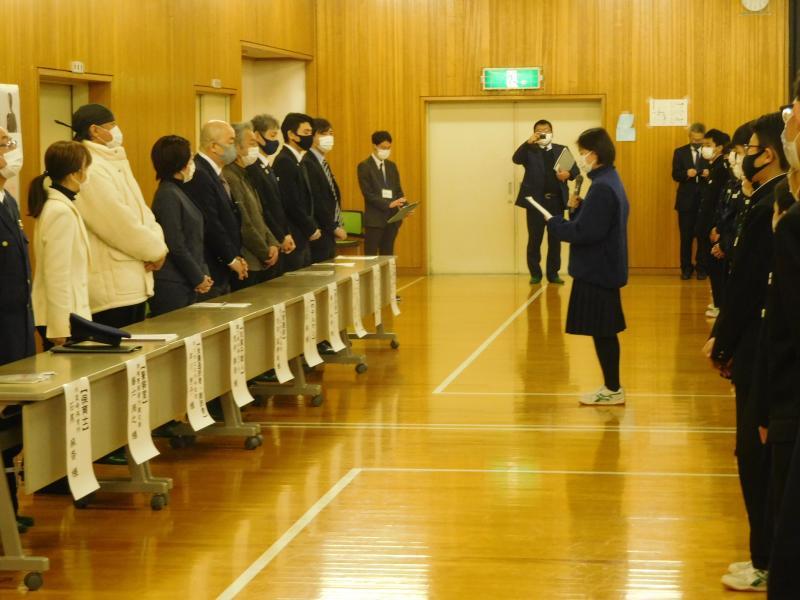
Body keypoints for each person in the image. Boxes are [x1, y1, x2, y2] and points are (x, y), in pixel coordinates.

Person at [704, 112, 788, 593]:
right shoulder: (761, 199)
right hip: (755, 340)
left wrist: (724, 343)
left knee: (757, 457)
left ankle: (766, 560)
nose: (742, 158)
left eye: (748, 149)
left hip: (761, 346)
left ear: (768, 153)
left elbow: (750, 285)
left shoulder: (771, 205)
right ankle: (765, 556)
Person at [544, 127, 629, 406]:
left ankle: (613, 389)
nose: (581, 158)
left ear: (595, 153)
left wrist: (556, 224)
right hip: (603, 267)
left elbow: (586, 232)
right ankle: (612, 386)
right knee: (603, 331)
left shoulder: (602, 187)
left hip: (597, 270)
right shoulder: (609, 179)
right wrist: (578, 209)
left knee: (603, 332)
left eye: (582, 153)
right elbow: (594, 223)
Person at [69, 103, 168, 329]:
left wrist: (159, 247)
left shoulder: (114, 161)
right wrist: (154, 251)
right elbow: (118, 224)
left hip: (133, 279)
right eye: (111, 125)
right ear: (94, 130)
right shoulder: (90, 167)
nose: (117, 130)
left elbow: (143, 212)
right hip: (113, 288)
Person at [0, 125, 35, 532]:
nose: (10, 153)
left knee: (11, 427)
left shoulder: (7, 200)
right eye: (4, 146)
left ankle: (9, 509)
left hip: (17, 333)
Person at [30, 141, 93, 348]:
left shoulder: (62, 206)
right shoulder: (60, 211)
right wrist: (59, 326)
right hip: (63, 319)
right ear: (74, 174)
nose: (87, 175)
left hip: (69, 315)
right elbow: (56, 273)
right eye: (85, 168)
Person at [149, 135, 213, 316]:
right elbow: (175, 244)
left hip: (187, 280)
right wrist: (197, 277)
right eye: (190, 159)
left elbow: (195, 238)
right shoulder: (168, 194)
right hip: (173, 283)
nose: (193, 164)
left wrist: (203, 273)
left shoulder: (179, 191)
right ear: (181, 163)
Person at [182, 120, 248, 297]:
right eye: (231, 141)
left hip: (223, 263)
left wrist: (235, 255)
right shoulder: (199, 173)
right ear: (214, 147)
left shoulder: (216, 171)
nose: (235, 146)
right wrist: (230, 258)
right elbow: (211, 222)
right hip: (211, 265)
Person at [512, 119, 580, 284]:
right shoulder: (529, 150)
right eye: (540, 131)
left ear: (552, 132)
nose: (544, 133)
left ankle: (553, 274)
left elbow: (575, 171)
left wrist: (568, 174)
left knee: (555, 240)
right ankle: (535, 273)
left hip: (556, 202)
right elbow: (516, 159)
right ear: (534, 133)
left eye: (547, 130)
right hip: (535, 202)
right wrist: (528, 142)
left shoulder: (561, 150)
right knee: (534, 239)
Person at [223, 122, 280, 287]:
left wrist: (273, 243)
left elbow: (259, 216)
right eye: (252, 143)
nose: (256, 148)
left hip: (261, 257)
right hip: (249, 259)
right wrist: (264, 251)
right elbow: (244, 222)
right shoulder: (230, 176)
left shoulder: (246, 174)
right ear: (237, 147)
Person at [708, 122, 752, 317]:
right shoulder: (734, 182)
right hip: (726, 242)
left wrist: (725, 244)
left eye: (738, 153)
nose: (734, 159)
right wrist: (718, 229)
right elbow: (724, 208)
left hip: (734, 248)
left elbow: (739, 220)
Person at [272, 112, 320, 270]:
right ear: (292, 135)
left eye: (311, 133)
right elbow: (290, 201)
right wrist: (310, 227)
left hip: (302, 235)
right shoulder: (284, 161)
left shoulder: (297, 160)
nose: (310, 137)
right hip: (294, 235)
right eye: (306, 132)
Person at [250, 114, 295, 276]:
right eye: (272, 135)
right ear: (257, 136)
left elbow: (278, 204)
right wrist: (280, 236)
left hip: (279, 236)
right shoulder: (254, 166)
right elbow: (265, 207)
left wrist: (286, 233)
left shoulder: (266, 166)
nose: (275, 141)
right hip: (269, 240)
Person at [695, 128, 731, 316]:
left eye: (708, 145)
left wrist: (716, 226)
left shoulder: (721, 169)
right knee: (711, 265)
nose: (704, 149)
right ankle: (717, 301)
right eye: (703, 145)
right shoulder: (714, 167)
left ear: (719, 147)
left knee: (716, 267)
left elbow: (719, 202)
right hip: (706, 224)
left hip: (713, 226)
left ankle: (720, 304)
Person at [303, 117, 346, 262]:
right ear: (312, 136)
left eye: (331, 133)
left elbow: (331, 196)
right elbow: (318, 200)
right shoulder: (308, 162)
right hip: (319, 231)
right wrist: (333, 227)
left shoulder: (322, 162)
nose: (328, 137)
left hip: (328, 232)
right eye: (323, 133)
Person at [357, 130, 406, 256]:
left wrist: (405, 206)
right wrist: (387, 204)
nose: (386, 150)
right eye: (383, 147)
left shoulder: (391, 166)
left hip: (392, 219)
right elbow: (368, 194)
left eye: (389, 148)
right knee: (371, 256)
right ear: (375, 146)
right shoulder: (364, 166)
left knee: (387, 255)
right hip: (375, 220)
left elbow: (398, 190)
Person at [672, 122, 709, 280]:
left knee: (703, 237)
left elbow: (719, 173)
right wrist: (686, 173)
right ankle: (686, 268)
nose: (696, 143)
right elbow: (675, 174)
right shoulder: (680, 152)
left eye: (699, 140)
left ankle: (702, 268)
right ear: (689, 137)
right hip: (686, 201)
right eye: (694, 140)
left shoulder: (709, 152)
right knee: (686, 237)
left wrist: (709, 173)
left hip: (705, 201)